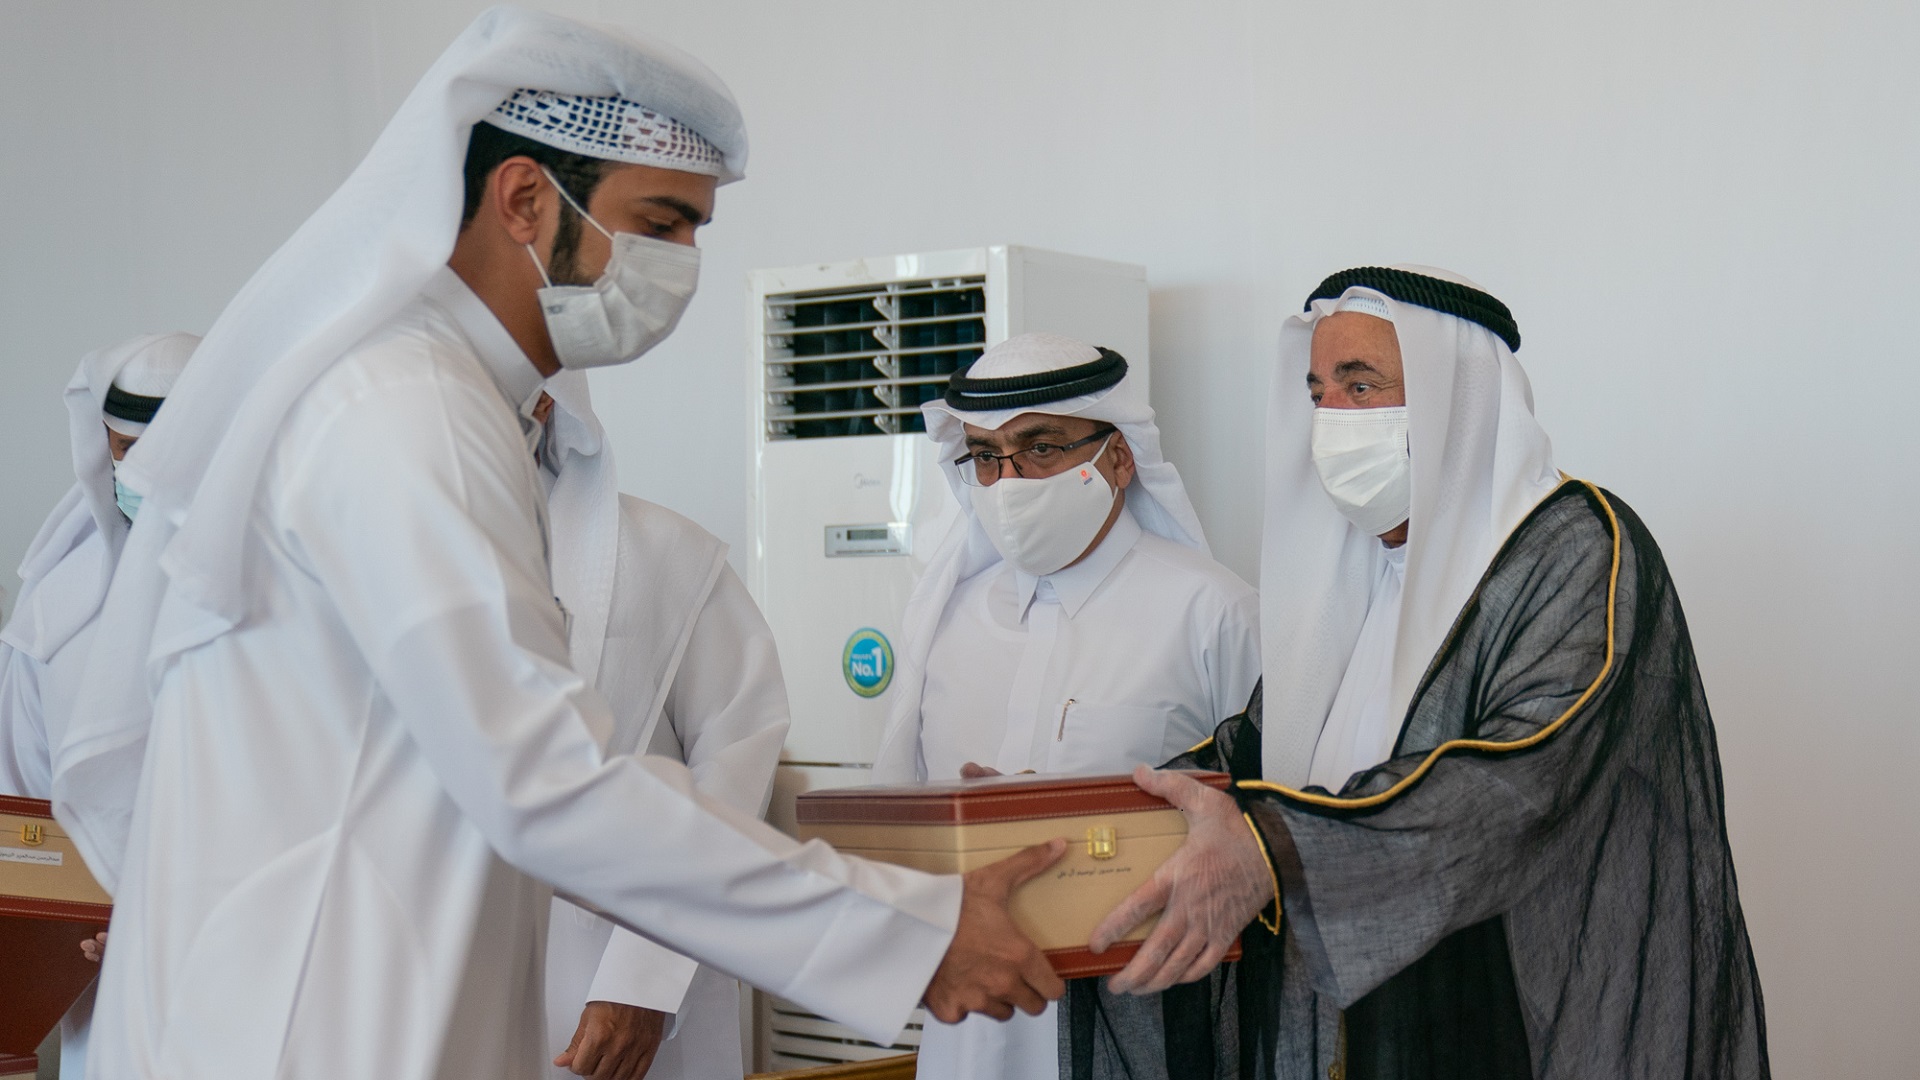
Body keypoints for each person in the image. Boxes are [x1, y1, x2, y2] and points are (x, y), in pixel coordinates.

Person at [52, 11, 1063, 1080]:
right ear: (525, 198)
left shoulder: (443, 401)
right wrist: (911, 933)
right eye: (661, 223)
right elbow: (548, 781)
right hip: (311, 1026)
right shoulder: (407, 408)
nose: (681, 266)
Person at [1068, 266, 1768, 1079]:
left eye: (1362, 385)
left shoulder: (1578, 548)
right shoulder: (1355, 573)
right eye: (1319, 391)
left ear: (1454, 401)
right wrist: (1062, 818)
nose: (1331, 416)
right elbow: (1255, 754)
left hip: (1511, 1021)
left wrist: (1271, 847)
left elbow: (1516, 782)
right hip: (1349, 1029)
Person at [873, 332, 1262, 1080]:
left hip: (1148, 1020)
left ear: (1118, 459)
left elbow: (1269, 819)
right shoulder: (945, 620)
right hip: (975, 1028)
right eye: (986, 456)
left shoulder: (1212, 611)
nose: (1009, 480)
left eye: (1042, 447)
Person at [533, 378, 787, 1080]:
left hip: (618, 991)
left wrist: (643, 980)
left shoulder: (664, 553)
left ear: (544, 403)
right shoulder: (389, 554)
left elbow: (734, 769)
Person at [0, 332, 195, 1080]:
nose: (141, 472)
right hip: (103, 997)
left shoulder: (291, 603)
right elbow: (21, 815)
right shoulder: (54, 617)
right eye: (124, 448)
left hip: (255, 978)